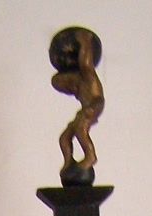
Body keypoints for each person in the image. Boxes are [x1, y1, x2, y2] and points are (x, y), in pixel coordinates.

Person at [51, 27, 104, 183]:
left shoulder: (88, 76)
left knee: (81, 128)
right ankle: (68, 161)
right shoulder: (78, 87)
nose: (71, 89)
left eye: (69, 84)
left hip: (95, 104)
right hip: (86, 108)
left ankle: (90, 156)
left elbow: (85, 62)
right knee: (65, 137)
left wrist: (84, 41)